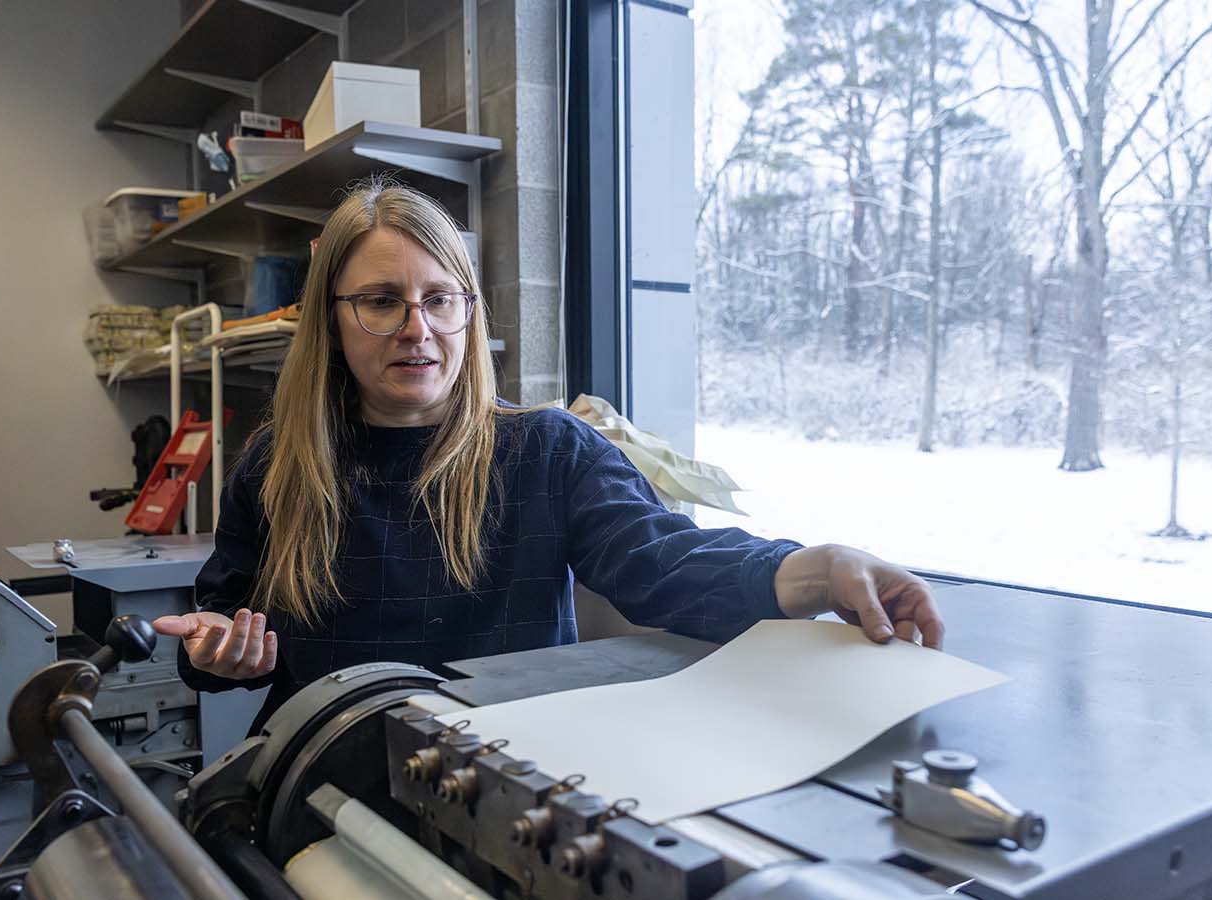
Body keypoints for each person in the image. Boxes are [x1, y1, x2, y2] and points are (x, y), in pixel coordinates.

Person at [152, 179, 944, 732]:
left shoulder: (546, 451)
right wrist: (219, 653)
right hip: (321, 762)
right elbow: (221, 618)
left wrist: (821, 569)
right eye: (381, 301)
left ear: (469, 313)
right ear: (331, 319)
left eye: (439, 299)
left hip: (505, 769)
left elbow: (666, 563)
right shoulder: (278, 465)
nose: (417, 328)